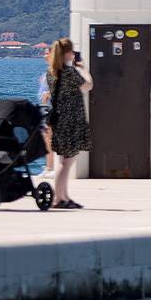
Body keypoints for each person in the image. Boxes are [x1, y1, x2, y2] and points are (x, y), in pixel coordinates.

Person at [45, 38, 91, 210]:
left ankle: (64, 196)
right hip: (71, 120)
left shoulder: (52, 72)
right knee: (67, 162)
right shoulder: (69, 72)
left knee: (64, 161)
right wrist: (83, 68)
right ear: (68, 53)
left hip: (59, 119)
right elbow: (88, 85)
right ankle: (59, 198)